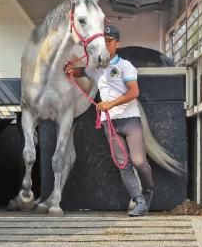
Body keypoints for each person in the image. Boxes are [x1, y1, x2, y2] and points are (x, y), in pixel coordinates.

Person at [65, 25, 154, 217]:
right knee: (123, 164)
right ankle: (139, 201)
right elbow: (82, 72)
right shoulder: (97, 67)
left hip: (130, 120)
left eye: (109, 41)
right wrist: (71, 69)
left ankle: (148, 191)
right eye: (103, 41)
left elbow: (134, 92)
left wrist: (110, 104)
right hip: (110, 123)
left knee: (139, 161)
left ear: (117, 43)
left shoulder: (125, 66)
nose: (105, 45)